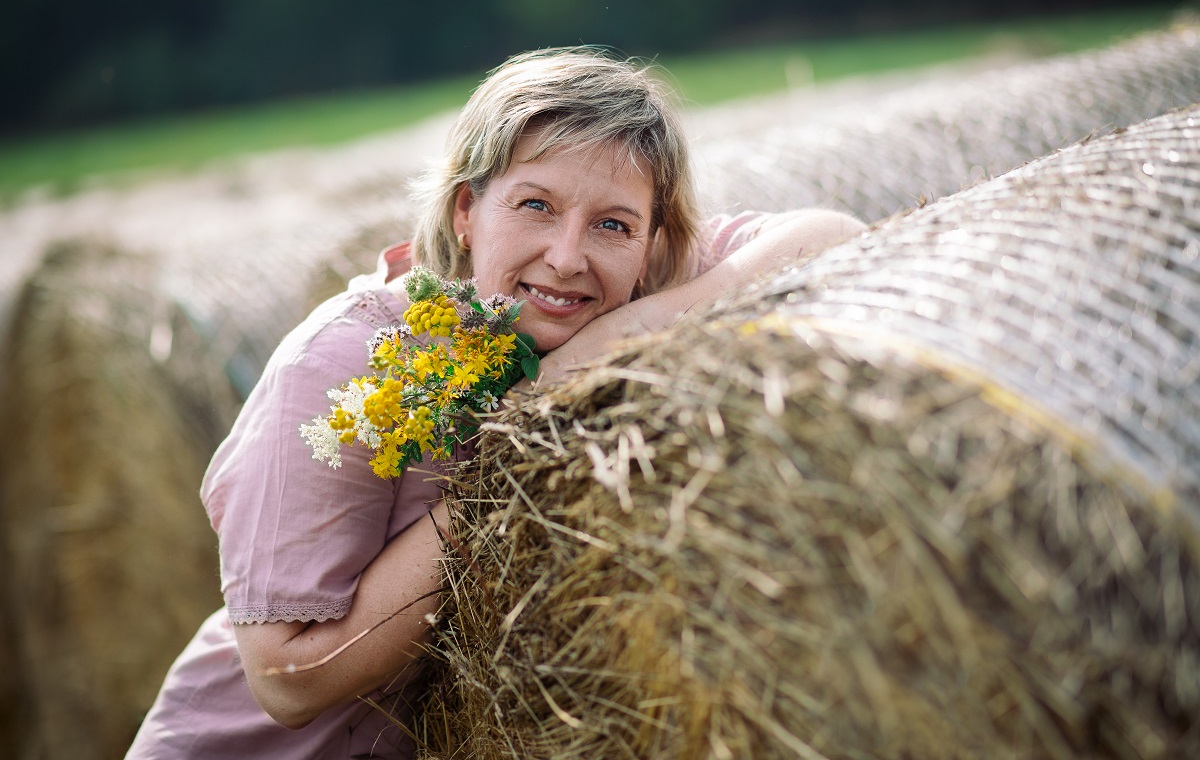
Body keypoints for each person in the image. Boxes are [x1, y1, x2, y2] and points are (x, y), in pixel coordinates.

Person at [126, 47, 865, 759]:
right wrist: (522, 440)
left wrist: (622, 335)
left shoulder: (635, 283)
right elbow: (287, 682)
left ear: (652, 242)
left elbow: (834, 236)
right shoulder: (343, 365)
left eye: (613, 224)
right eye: (535, 206)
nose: (569, 256)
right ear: (465, 213)